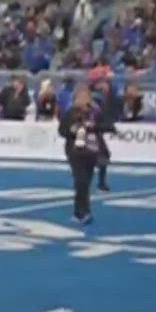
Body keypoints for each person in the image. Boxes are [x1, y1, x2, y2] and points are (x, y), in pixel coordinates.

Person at [57, 83, 110, 225]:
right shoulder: (70, 112)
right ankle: (81, 212)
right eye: (81, 96)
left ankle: (83, 210)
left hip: (91, 150)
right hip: (75, 151)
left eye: (86, 96)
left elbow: (108, 125)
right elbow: (62, 131)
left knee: (86, 182)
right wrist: (73, 130)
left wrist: (94, 127)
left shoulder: (95, 112)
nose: (84, 99)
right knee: (80, 181)